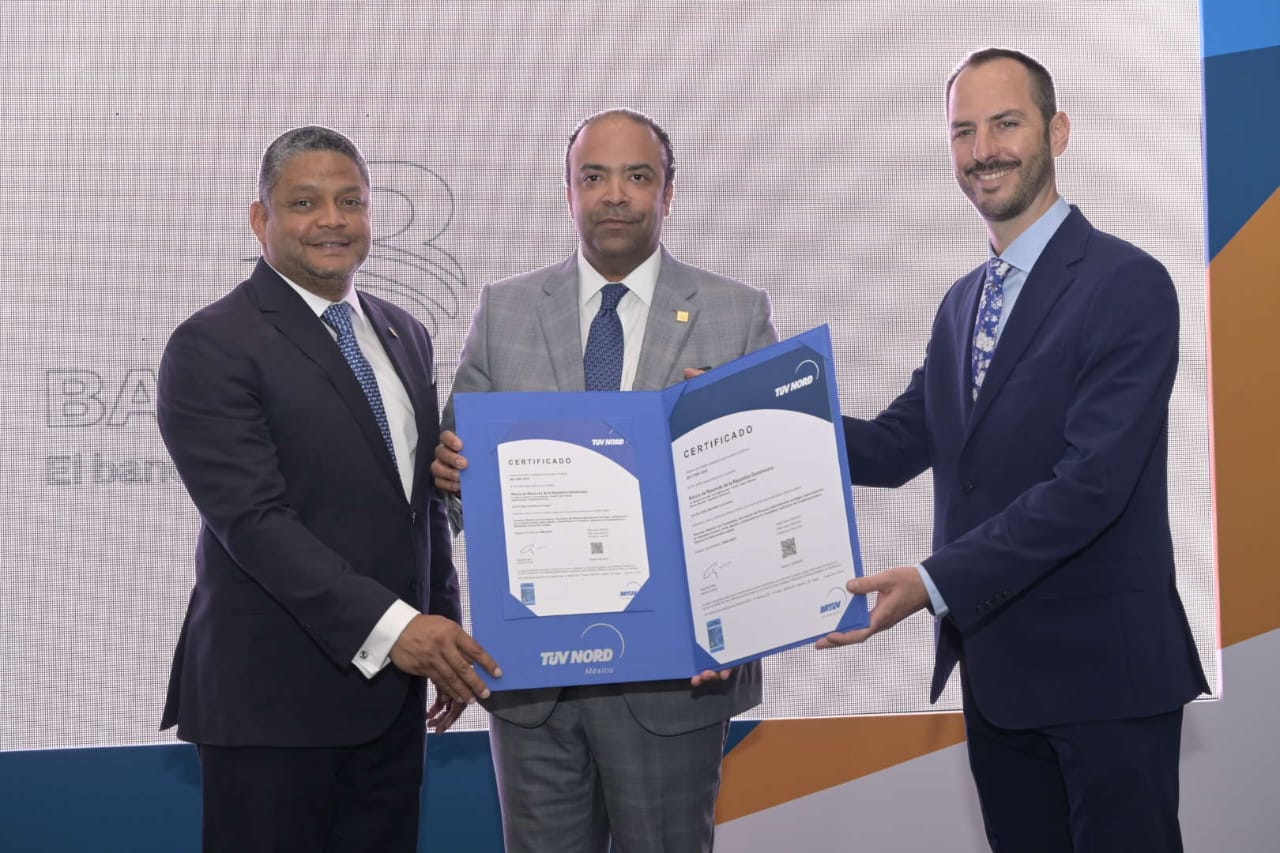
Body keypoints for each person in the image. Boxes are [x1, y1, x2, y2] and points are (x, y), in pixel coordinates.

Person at [820, 49, 1209, 851]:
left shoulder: (1127, 283)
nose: (983, 149)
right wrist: (757, 415)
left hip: (1106, 680)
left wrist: (933, 581)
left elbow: (1090, 486)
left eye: (1005, 124)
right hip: (999, 679)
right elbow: (894, 445)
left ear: (1057, 132)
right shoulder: (963, 301)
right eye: (963, 131)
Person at [431, 108, 776, 853]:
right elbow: (456, 481)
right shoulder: (505, 310)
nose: (614, 194)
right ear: (568, 192)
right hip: (533, 679)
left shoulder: (736, 314)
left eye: (637, 176)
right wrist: (451, 475)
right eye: (594, 176)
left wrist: (741, 628)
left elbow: (760, 495)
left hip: (677, 678)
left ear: (668, 193)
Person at [156, 125, 501, 853]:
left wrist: (441, 628)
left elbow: (419, 505)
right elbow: (254, 523)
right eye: (305, 202)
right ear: (261, 218)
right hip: (271, 705)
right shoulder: (211, 343)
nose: (332, 220)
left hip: (392, 700)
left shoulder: (404, 332)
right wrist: (399, 630)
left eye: (351, 201)